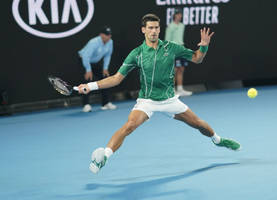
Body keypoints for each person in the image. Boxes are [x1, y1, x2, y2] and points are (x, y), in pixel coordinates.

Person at [77, 14, 241, 174]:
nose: (154, 31)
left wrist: (204, 46)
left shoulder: (172, 47)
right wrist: (91, 86)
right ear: (143, 30)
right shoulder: (137, 53)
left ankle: (218, 140)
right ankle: (104, 156)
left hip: (169, 100)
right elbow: (116, 78)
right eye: (150, 28)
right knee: (129, 126)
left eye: (156, 27)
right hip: (147, 101)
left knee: (198, 124)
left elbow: (197, 58)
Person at [78, 26, 117, 112]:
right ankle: (86, 105)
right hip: (84, 61)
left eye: (109, 35)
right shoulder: (93, 42)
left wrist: (105, 68)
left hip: (95, 63)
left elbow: (108, 55)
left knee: (105, 79)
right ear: (101, 35)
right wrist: (88, 70)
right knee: (87, 81)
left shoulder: (110, 42)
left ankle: (105, 103)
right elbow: (85, 56)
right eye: (107, 35)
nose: (109, 36)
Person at [165, 9, 192, 96]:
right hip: (173, 50)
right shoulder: (170, 26)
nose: (180, 16)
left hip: (181, 49)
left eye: (180, 14)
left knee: (181, 69)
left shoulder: (182, 25)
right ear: (175, 16)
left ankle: (180, 89)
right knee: (174, 70)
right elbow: (167, 40)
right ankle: (172, 91)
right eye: (178, 14)